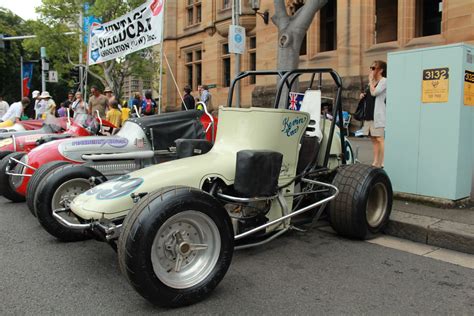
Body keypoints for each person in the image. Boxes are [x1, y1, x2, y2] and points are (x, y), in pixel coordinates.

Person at [359, 60, 387, 168]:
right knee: (373, 139)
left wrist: (370, 81)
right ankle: (375, 162)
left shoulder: (384, 81)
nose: (371, 70)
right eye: (371, 68)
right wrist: (362, 95)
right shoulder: (371, 82)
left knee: (380, 138)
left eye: (373, 68)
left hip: (378, 114)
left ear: (381, 70)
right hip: (369, 113)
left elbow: (375, 93)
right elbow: (368, 93)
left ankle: (383, 162)